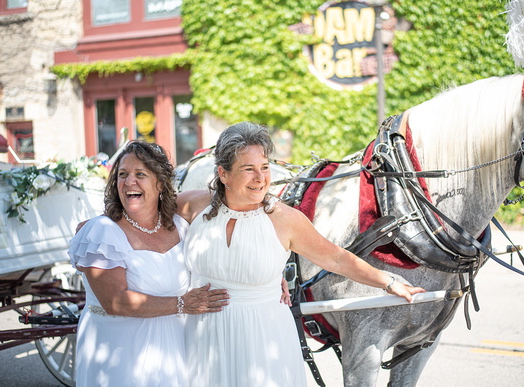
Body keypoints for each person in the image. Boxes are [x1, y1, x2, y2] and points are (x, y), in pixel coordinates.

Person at [176, 121, 426, 386]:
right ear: (223, 174)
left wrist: (390, 282)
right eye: (248, 169)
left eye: (264, 167)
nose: (260, 178)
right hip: (202, 336)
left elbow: (336, 258)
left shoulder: (284, 219)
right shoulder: (192, 205)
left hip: (262, 339)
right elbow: (150, 234)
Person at [68, 141, 229, 387]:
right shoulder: (102, 232)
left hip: (174, 348)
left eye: (140, 174)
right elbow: (115, 301)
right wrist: (182, 304)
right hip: (119, 354)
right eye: (123, 175)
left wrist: (272, 276)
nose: (129, 181)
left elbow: (235, 209)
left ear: (160, 183)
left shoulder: (181, 225)